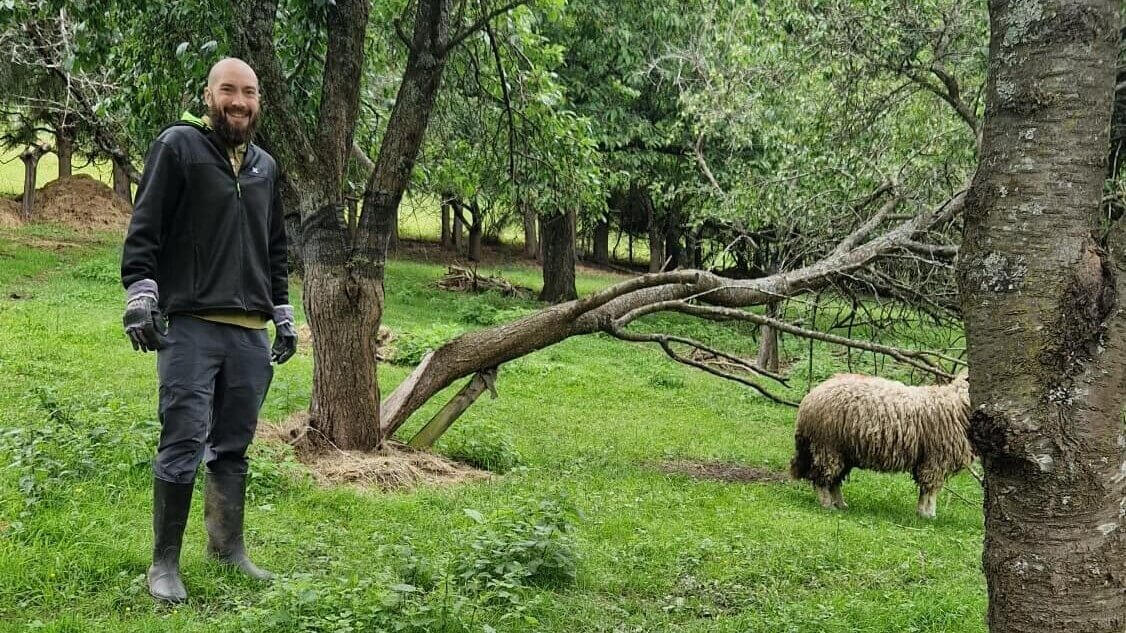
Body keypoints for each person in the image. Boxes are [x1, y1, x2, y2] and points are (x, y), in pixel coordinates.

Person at [120, 57, 297, 604]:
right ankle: (164, 565)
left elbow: (275, 249)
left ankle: (228, 549)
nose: (239, 102)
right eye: (229, 91)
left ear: (258, 101)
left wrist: (283, 311)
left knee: (234, 445)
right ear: (208, 95)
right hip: (192, 329)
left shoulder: (266, 166)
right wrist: (140, 294)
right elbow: (145, 227)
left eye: (249, 93)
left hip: (249, 336)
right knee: (182, 441)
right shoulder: (178, 147)